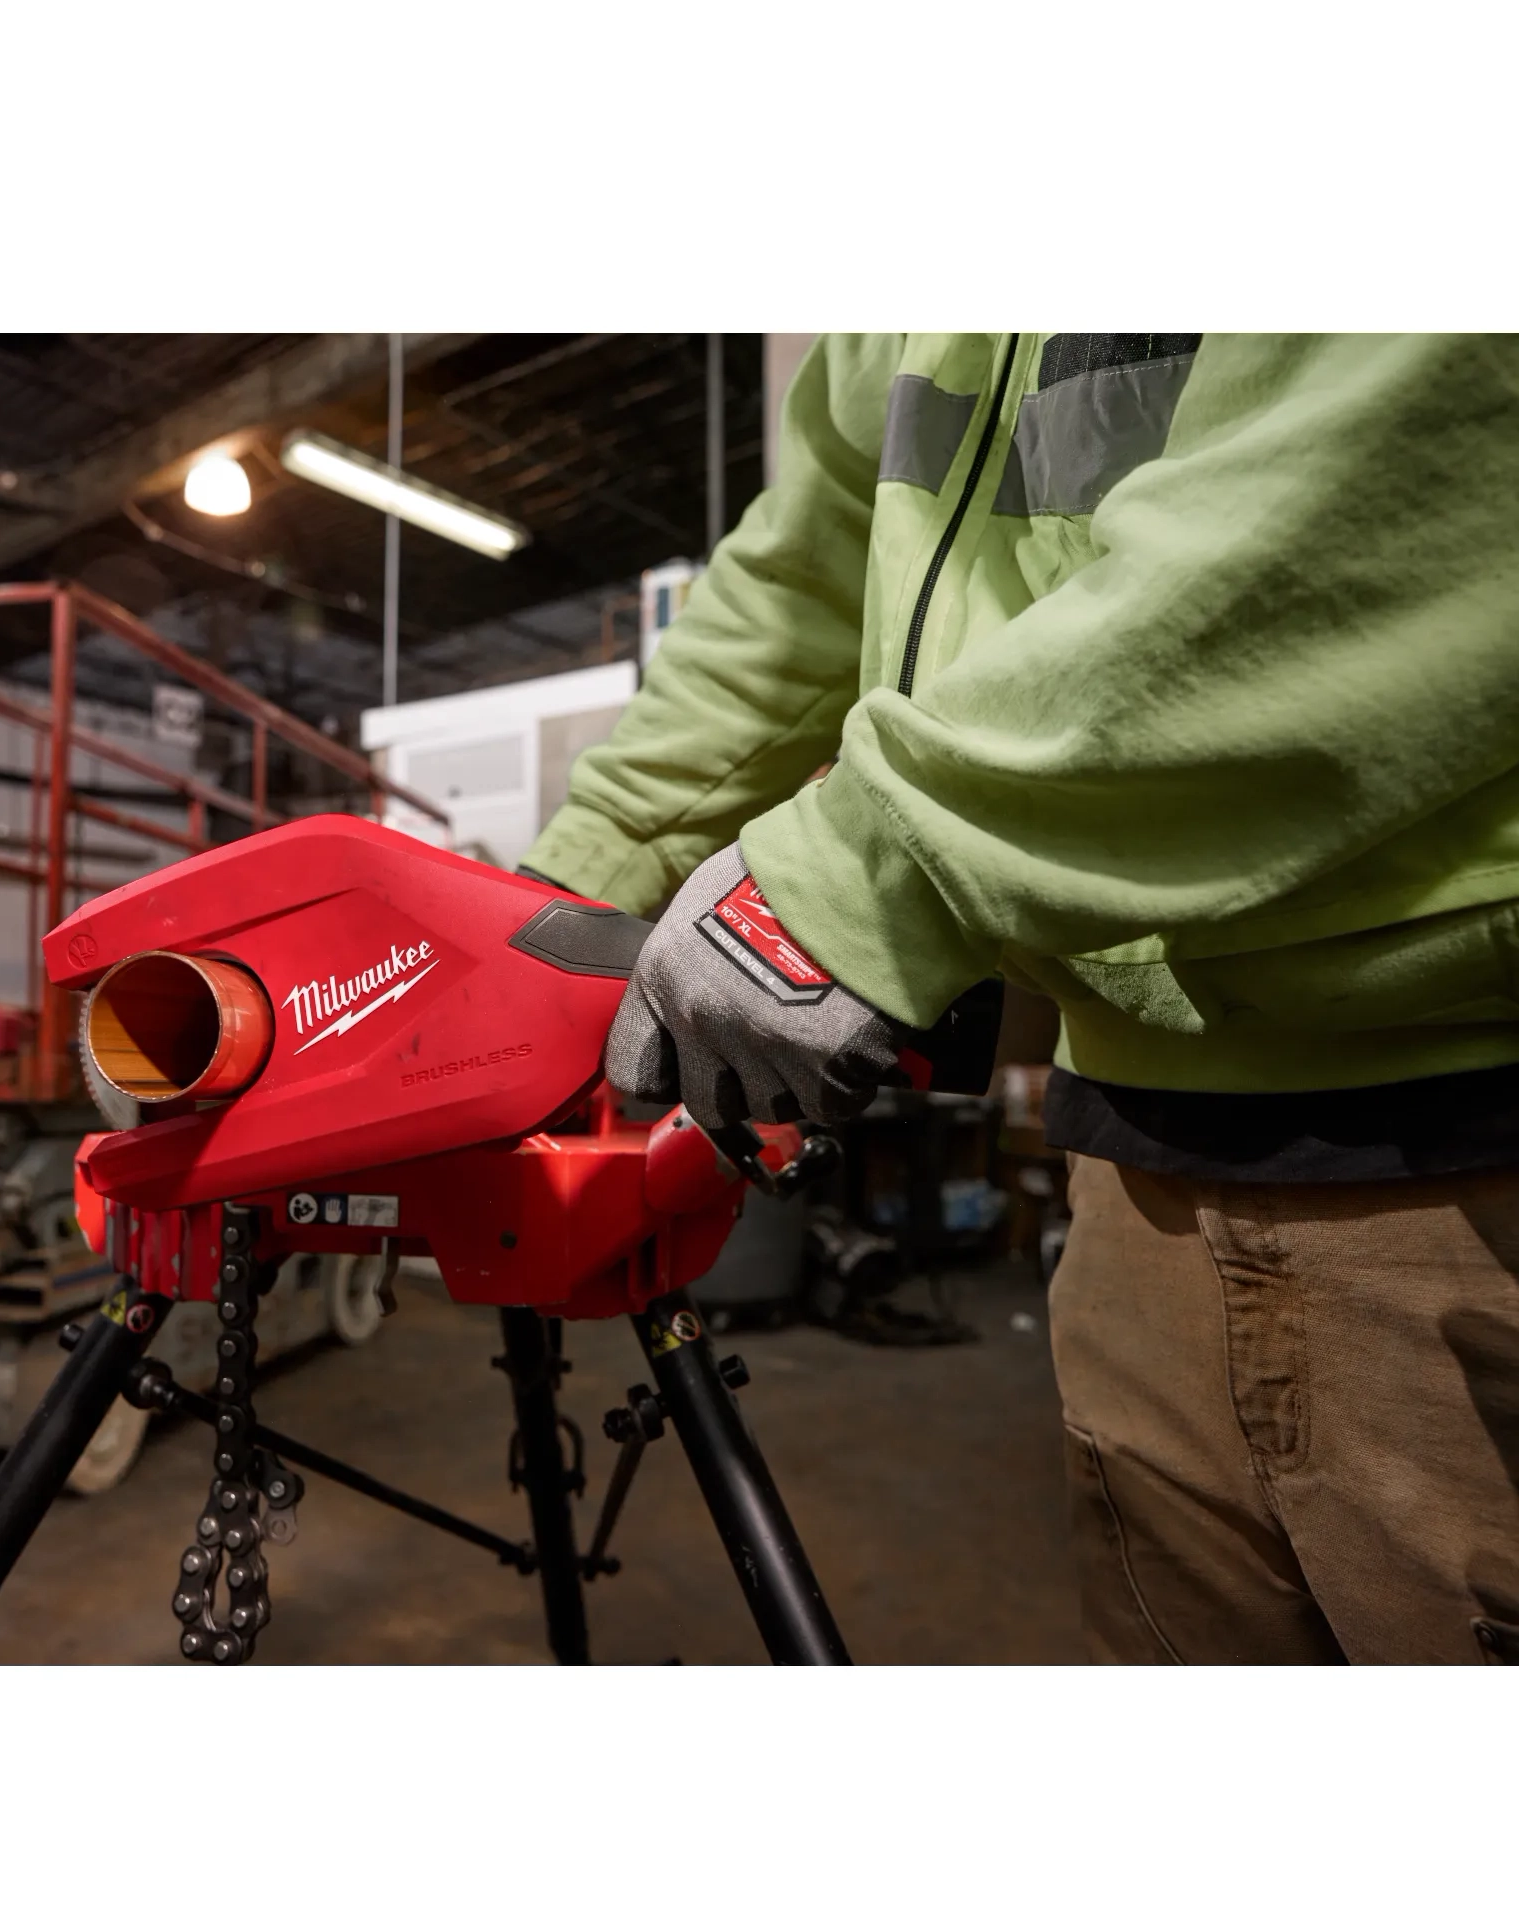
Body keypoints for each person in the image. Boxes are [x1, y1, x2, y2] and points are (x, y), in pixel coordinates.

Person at [521, 334, 1519, 1666]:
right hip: (1130, 1175)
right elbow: (795, 591)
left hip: (1465, 1149)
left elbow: (1375, 491)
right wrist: (543, 908)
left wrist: (863, 879)